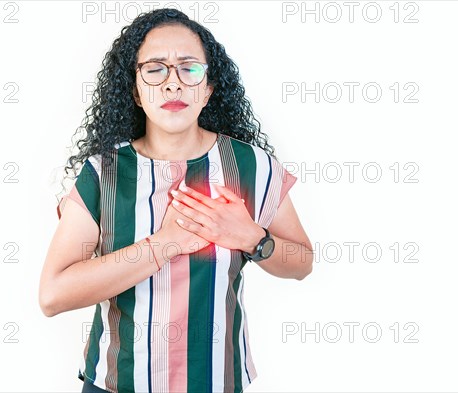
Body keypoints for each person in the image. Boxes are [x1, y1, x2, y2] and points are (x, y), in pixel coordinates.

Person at [39, 8, 313, 393]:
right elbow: (53, 295)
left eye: (189, 68)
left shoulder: (251, 166)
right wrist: (164, 245)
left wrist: (253, 238)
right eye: (155, 69)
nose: (173, 84)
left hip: (217, 383)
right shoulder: (103, 173)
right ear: (135, 89)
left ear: (209, 87)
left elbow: (302, 263)